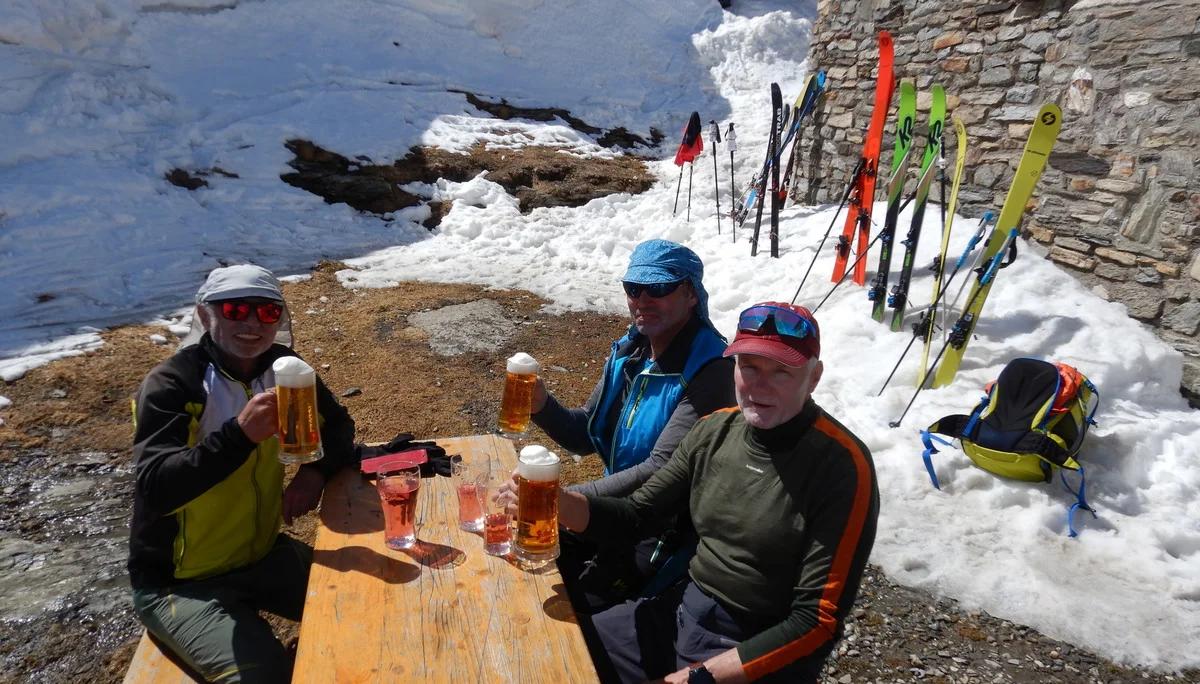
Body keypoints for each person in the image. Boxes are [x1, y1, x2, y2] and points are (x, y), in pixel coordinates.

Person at [552, 302, 879, 683]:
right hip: (682, 610)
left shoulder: (840, 465)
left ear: (814, 377)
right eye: (749, 367)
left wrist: (699, 678)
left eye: (781, 372)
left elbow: (816, 621)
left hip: (752, 646)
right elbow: (637, 516)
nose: (759, 386)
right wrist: (554, 501)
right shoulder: (715, 431)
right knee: (560, 652)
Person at [128, 264, 356, 683]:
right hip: (180, 582)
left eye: (268, 313)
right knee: (263, 677)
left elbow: (338, 425)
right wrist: (238, 435)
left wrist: (315, 473)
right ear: (204, 315)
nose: (252, 324)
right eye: (235, 310)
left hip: (261, 553)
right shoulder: (173, 384)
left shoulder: (285, 367)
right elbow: (156, 487)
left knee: (366, 605)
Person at [529, 239, 736, 610]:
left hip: (661, 530)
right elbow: (583, 433)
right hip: (612, 511)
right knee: (529, 564)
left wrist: (563, 500)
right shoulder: (633, 352)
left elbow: (659, 471)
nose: (642, 299)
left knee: (576, 611)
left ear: (691, 294)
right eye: (633, 288)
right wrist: (542, 406)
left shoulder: (711, 371)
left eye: (657, 288)